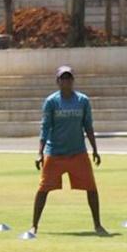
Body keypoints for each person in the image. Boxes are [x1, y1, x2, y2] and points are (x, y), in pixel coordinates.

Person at [30, 66, 108, 237]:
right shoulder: (52, 101)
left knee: (91, 188)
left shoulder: (82, 100)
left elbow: (88, 125)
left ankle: (98, 224)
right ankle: (34, 225)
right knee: (43, 189)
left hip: (77, 152)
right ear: (57, 81)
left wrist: (95, 149)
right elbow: (45, 127)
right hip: (55, 152)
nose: (66, 81)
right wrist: (40, 153)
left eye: (69, 78)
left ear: (73, 80)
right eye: (63, 78)